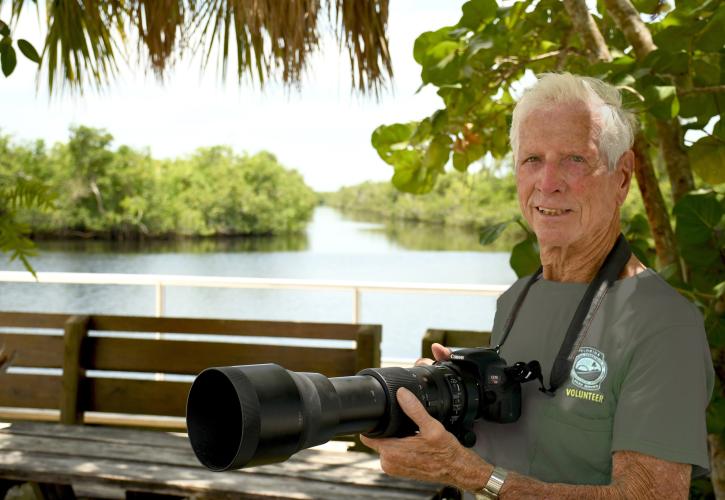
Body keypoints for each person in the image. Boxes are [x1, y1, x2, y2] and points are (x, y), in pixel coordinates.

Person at [360, 73, 714, 499]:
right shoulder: (515, 299)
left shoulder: (662, 323)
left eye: (575, 160)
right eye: (532, 160)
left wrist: (474, 477)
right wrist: (448, 397)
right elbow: (524, 447)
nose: (548, 182)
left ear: (622, 177)